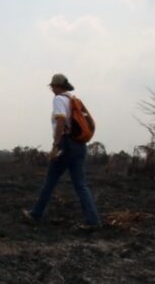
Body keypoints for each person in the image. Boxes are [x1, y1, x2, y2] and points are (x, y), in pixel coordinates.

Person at [23, 73, 101, 229]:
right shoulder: (73, 99)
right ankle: (93, 221)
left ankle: (35, 215)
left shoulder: (59, 99)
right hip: (80, 145)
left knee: (50, 180)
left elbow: (60, 121)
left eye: (52, 86)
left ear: (57, 86)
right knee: (81, 184)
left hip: (66, 144)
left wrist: (56, 144)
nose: (52, 89)